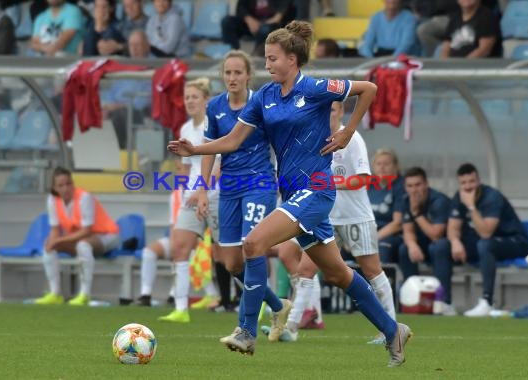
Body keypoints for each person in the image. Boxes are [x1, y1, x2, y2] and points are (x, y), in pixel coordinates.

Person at [169, 20, 412, 366]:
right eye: (266, 59)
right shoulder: (265, 97)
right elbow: (234, 140)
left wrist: (346, 132)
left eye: (272, 59)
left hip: (316, 190)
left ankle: (246, 332)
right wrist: (197, 150)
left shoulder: (314, 89)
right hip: (294, 194)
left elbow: (368, 88)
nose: (267, 65)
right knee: (337, 274)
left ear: (292, 60)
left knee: (253, 244)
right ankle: (393, 331)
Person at [262, 101, 397, 345]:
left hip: (356, 216)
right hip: (324, 216)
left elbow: (364, 179)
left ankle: (391, 327)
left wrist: (331, 184)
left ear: (341, 111)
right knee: (305, 269)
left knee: (372, 270)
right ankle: (291, 327)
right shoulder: (313, 139)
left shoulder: (352, 139)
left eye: (332, 110)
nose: (327, 115)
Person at [200, 49, 292, 343]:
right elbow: (210, 148)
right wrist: (202, 187)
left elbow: (279, 142)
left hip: (259, 184)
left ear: (248, 75)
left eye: (238, 72)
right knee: (231, 263)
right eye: (227, 73)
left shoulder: (262, 103)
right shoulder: (214, 107)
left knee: (252, 248)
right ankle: (278, 306)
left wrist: (283, 178)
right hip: (228, 188)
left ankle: (245, 328)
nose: (232, 78)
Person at [157, 77, 221, 323]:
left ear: (206, 99)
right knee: (179, 248)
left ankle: (260, 303)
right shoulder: (185, 129)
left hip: (216, 195)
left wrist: (202, 189)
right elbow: (184, 168)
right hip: (191, 198)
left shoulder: (213, 124)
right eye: (187, 97)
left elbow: (220, 165)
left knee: (230, 257)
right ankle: (181, 308)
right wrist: (185, 193)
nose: (190, 101)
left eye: (195, 96)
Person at [447, 163, 528, 317]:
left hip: (515, 241)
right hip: (486, 245)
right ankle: (445, 302)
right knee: (443, 245)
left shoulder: (492, 197)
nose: (468, 186)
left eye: (471, 181)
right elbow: (453, 227)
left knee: (485, 244)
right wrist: (455, 242)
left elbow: (486, 232)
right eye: (463, 183)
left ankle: (487, 301)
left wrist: (471, 206)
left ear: (478, 181)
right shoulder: (458, 197)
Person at [34, 166, 120, 306]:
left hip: (107, 235)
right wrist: (52, 242)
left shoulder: (84, 197)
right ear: (54, 188)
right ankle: (55, 294)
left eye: (69, 183)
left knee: (83, 245)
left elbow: (87, 230)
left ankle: (84, 295)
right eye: (61, 185)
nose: (66, 188)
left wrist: (59, 240)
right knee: (49, 246)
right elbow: (55, 229)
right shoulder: (52, 200)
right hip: (81, 237)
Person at [398, 166, 456, 315]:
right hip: (425, 246)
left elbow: (436, 234)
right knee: (405, 249)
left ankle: (443, 302)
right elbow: (408, 231)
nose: (414, 190)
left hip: (448, 249)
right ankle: (412, 300)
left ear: (426, 184)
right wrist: (412, 245)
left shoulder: (439, 201)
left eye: (418, 185)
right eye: (410, 186)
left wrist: (416, 213)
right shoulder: (405, 200)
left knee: (439, 246)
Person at [367, 148, 404, 264]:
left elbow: (398, 223)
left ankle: (384, 281)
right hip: (368, 233)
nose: (382, 167)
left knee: (382, 247)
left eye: (387, 164)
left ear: (396, 166)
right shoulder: (368, 184)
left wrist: (373, 239)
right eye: (378, 164)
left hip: (392, 235)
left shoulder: (401, 186)